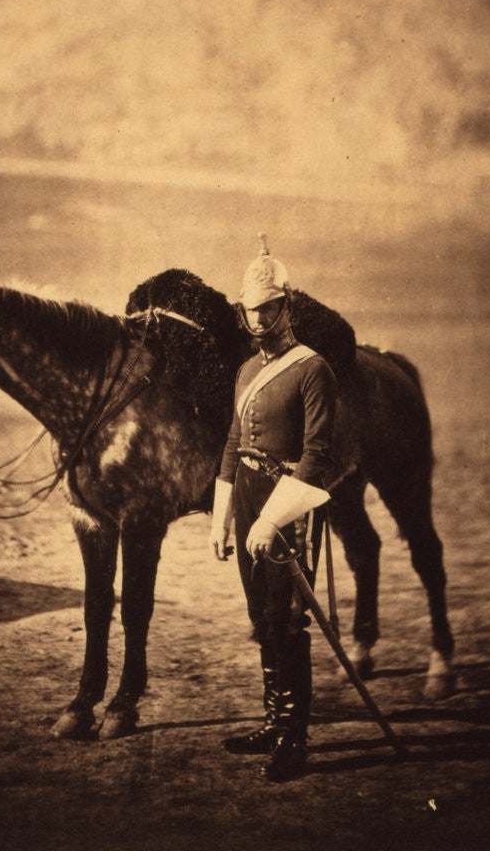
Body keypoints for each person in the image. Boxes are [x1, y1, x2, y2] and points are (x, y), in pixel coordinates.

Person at [211, 235, 337, 782]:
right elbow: (232, 443)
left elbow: (317, 455)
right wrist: (224, 515)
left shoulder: (314, 369)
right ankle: (272, 720)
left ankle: (293, 738)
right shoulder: (244, 371)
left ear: (287, 306)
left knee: (288, 621)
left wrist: (269, 519)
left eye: (269, 307)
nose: (259, 319)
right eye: (250, 309)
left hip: (290, 504)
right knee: (261, 616)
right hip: (246, 496)